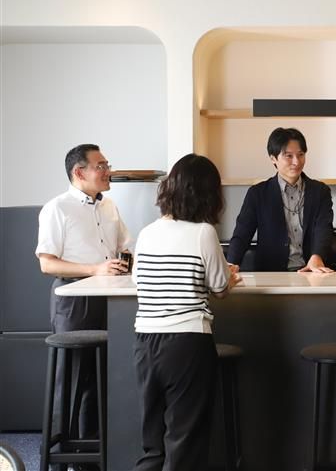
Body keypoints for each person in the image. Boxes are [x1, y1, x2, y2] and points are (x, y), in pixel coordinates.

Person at [132, 153, 242, 471]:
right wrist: (229, 276)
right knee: (184, 440)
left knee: (152, 441)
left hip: (145, 342)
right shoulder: (203, 232)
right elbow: (219, 288)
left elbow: (139, 281)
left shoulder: (147, 232)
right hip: (187, 342)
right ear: (207, 193)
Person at [36, 143, 131, 440]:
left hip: (111, 297)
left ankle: (92, 446)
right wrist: (96, 269)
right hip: (73, 298)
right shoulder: (57, 207)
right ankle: (61, 448)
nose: (108, 171)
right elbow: (47, 264)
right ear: (79, 172)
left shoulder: (109, 206)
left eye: (107, 165)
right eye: (101, 166)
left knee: (102, 374)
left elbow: (125, 247)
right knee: (72, 374)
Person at [227, 127, 334, 272]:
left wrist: (317, 256)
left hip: (311, 272)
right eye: (288, 156)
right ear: (273, 158)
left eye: (301, 155)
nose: (296, 162)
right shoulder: (257, 194)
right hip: (271, 274)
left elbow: (324, 228)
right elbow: (242, 234)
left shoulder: (320, 191)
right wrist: (230, 265)